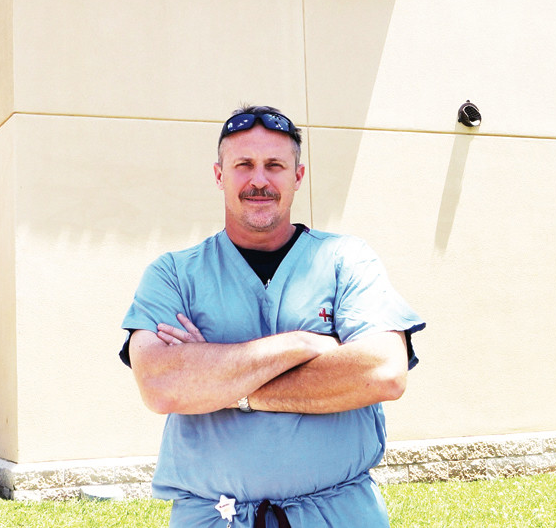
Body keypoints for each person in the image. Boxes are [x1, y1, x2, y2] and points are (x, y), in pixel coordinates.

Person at [120, 105, 425, 528]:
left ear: (297, 177)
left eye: (274, 165)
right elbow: (160, 384)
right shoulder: (174, 274)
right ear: (219, 175)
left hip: (338, 514)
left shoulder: (346, 260)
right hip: (213, 517)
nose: (259, 180)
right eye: (243, 164)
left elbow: (383, 373)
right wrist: (301, 345)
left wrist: (225, 384)